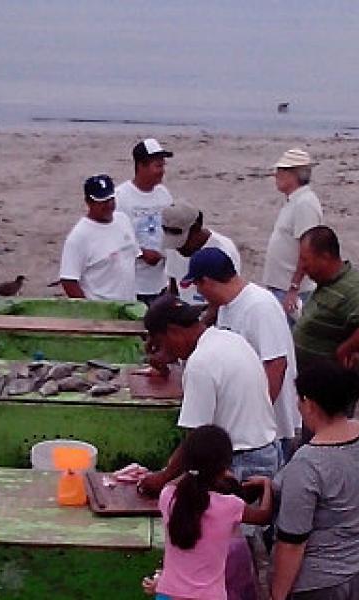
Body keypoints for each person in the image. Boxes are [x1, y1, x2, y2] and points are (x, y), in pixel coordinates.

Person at [138, 295, 279, 496]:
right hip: (266, 451)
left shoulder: (200, 364)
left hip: (240, 464)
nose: (161, 349)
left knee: (228, 526)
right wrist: (166, 359)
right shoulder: (229, 339)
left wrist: (163, 477)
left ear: (173, 332)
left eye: (161, 342)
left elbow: (196, 439)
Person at [270, 361, 359, 600]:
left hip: (320, 583)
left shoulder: (307, 463)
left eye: (299, 400)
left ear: (309, 404)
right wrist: (275, 485)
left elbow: (292, 543)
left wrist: (277, 596)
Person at [182, 247, 302, 461]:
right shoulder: (227, 306)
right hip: (245, 429)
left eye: (198, 286)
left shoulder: (260, 306)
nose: (201, 294)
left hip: (269, 430)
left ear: (206, 281)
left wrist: (258, 415)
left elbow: (276, 365)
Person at [153, 425, 272, 600]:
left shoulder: (168, 497)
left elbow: (182, 482)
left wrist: (191, 471)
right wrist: (266, 485)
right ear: (225, 466)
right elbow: (263, 516)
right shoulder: (230, 506)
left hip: (168, 594)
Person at [293, 226, 359, 374]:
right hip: (310, 379)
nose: (302, 266)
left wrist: (346, 349)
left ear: (325, 257)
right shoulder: (326, 283)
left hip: (330, 385)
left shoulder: (351, 288)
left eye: (305, 259)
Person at [262, 149, 324, 326]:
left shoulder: (305, 204)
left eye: (281, 171)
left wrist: (294, 288)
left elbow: (308, 249)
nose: (276, 175)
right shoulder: (295, 201)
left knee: (290, 338)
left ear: (294, 174)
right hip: (282, 287)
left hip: (292, 290)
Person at [60, 174, 141, 301]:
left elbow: (133, 256)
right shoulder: (79, 237)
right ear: (88, 202)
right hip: (102, 312)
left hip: (129, 306)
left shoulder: (123, 220)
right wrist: (90, 310)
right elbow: (69, 281)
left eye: (111, 199)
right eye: (102, 201)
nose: (109, 205)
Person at [116, 138, 175, 305]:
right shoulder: (121, 196)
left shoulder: (164, 194)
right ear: (141, 166)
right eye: (157, 165)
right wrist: (141, 253)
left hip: (160, 282)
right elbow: (113, 235)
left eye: (163, 165)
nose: (162, 171)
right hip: (132, 284)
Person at [161, 201, 241, 306]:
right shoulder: (173, 246)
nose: (178, 249)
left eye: (182, 243)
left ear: (195, 228)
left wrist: (202, 321)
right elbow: (173, 288)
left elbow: (229, 296)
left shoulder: (223, 251)